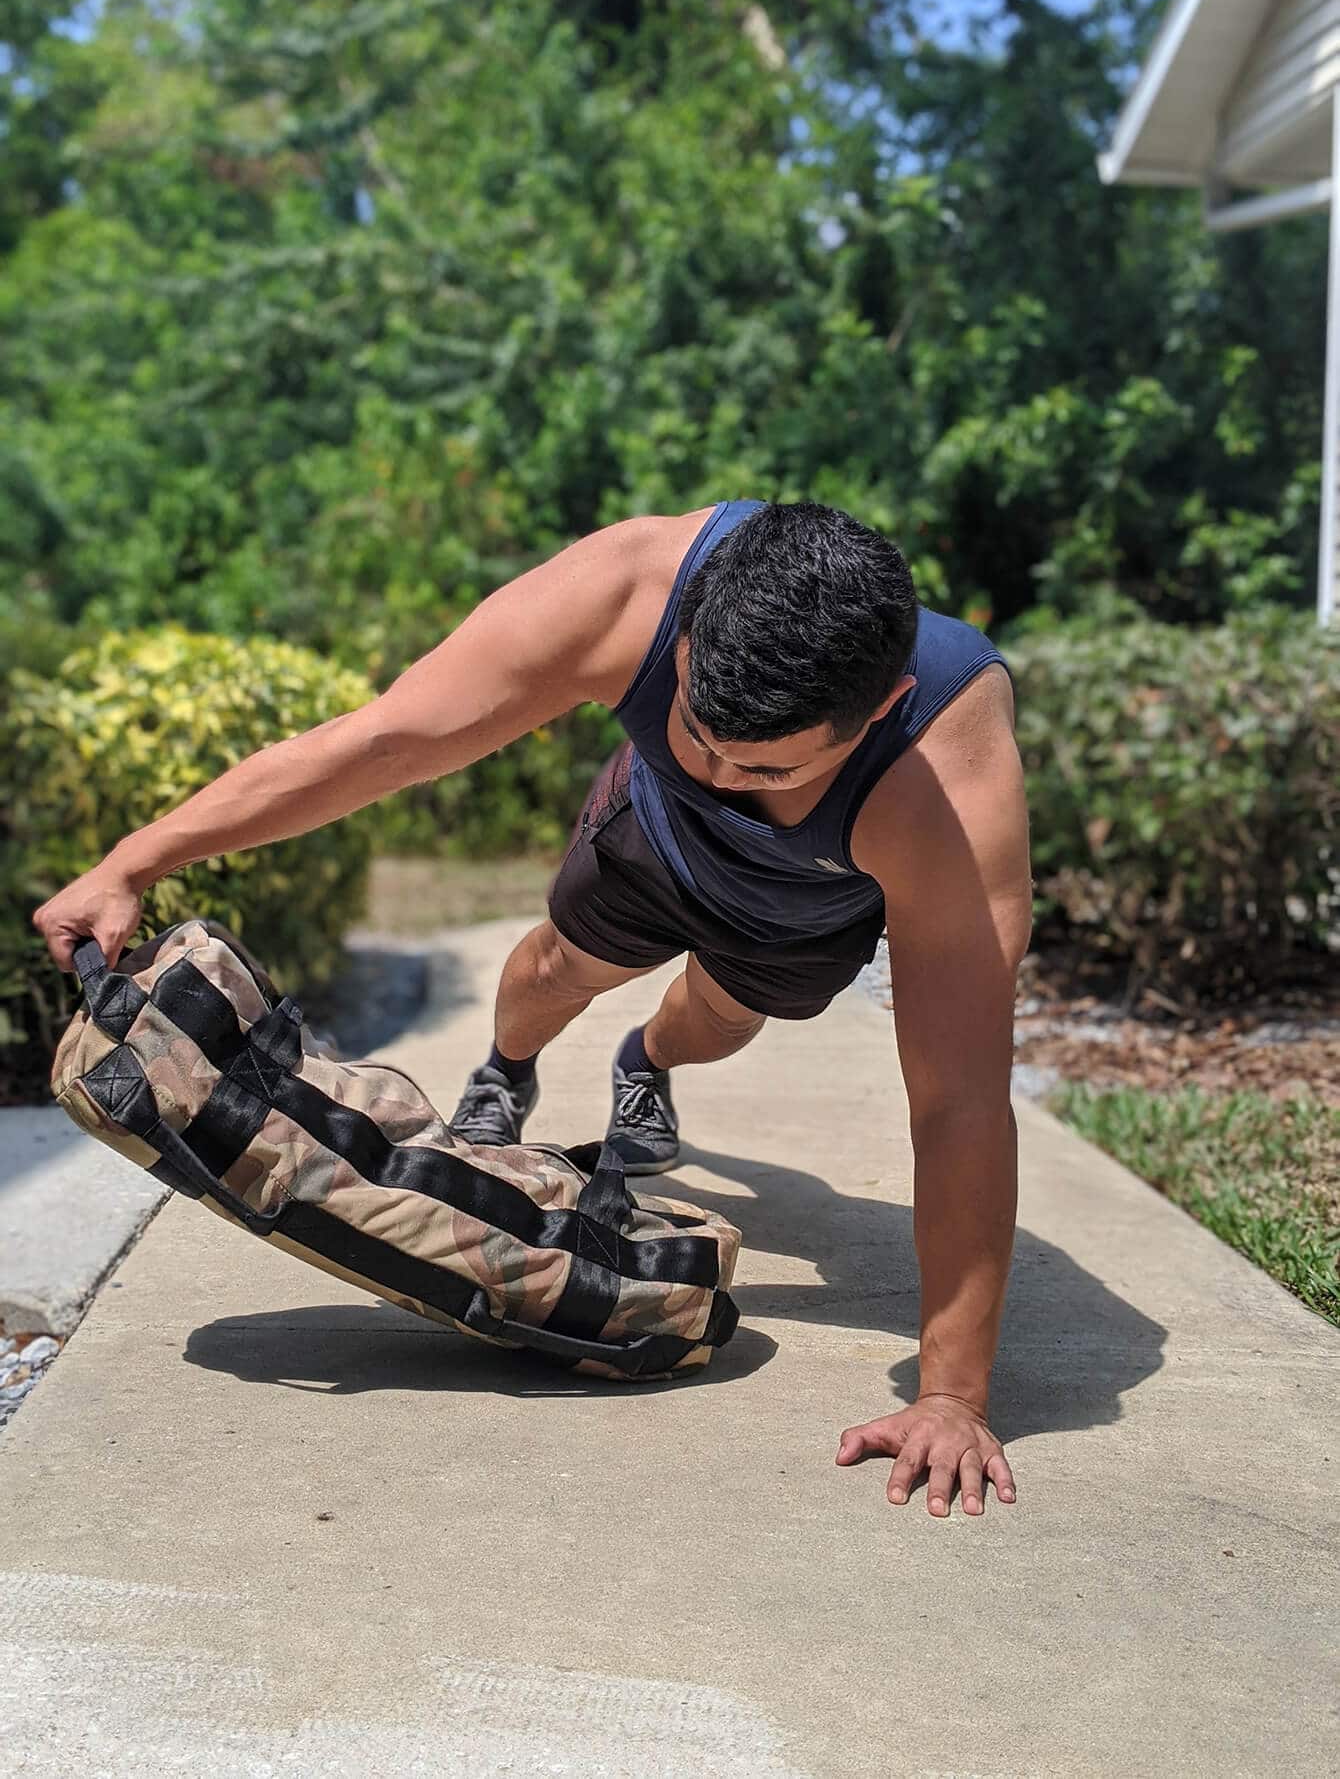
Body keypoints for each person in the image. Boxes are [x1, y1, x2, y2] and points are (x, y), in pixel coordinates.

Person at [34, 499, 1031, 1519]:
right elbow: (385, 740)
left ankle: (645, 1061)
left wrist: (951, 1394)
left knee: (717, 1021)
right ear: (682, 635)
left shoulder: (945, 782)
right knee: (556, 968)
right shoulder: (622, 592)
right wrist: (132, 860)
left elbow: (956, 1099)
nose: (723, 776)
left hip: (807, 905)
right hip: (653, 837)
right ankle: (505, 1073)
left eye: (768, 766)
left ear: (883, 706)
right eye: (696, 727)